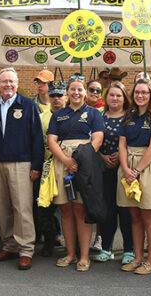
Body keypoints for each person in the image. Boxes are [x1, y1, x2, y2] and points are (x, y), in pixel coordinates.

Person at [0, 67, 45, 270]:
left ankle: (26, 249)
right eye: (4, 81)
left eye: (11, 81)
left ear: (17, 84)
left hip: (21, 163)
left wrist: (36, 165)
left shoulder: (28, 106)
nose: (8, 85)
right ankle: (9, 245)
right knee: (3, 207)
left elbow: (37, 138)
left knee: (22, 207)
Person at [46, 78, 104, 272]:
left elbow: (98, 138)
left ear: (85, 92)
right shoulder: (58, 115)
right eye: (72, 89)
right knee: (65, 209)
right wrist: (67, 161)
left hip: (84, 163)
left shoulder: (94, 113)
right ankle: (70, 253)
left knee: (80, 209)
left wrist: (81, 160)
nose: (76, 93)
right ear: (67, 92)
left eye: (80, 89)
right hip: (62, 162)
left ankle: (84, 256)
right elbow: (51, 141)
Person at [117, 79, 151, 275]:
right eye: (137, 92)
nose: (140, 96)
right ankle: (138, 258)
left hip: (148, 165)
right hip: (128, 165)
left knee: (149, 215)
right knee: (134, 215)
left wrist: (136, 171)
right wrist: (126, 168)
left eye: (144, 92)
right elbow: (122, 144)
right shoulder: (128, 115)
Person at [95, 82, 133, 265]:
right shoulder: (99, 116)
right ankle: (106, 248)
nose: (115, 98)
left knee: (126, 210)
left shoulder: (130, 117)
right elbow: (93, 140)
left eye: (119, 95)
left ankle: (129, 249)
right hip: (104, 169)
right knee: (107, 210)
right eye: (112, 95)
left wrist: (121, 156)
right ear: (106, 97)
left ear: (124, 98)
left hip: (125, 169)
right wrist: (102, 156)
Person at [35, 81, 66, 257]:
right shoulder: (42, 117)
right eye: (53, 95)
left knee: (70, 207)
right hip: (47, 167)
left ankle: (74, 244)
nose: (56, 99)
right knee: (44, 208)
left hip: (69, 167)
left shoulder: (71, 114)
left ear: (66, 96)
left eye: (60, 95)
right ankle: (49, 240)